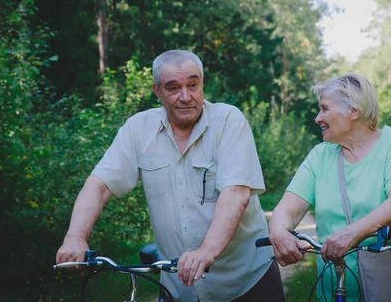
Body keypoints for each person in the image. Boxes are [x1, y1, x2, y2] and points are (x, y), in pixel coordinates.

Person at [56, 50, 284, 302]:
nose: (185, 97)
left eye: (193, 85)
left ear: (202, 85)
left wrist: (206, 251)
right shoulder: (138, 129)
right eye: (173, 88)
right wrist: (75, 237)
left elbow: (236, 193)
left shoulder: (229, 120)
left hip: (245, 280)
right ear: (157, 91)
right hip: (179, 286)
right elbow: (99, 186)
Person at [267, 73, 391, 301]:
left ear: (353, 111)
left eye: (325, 109)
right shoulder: (320, 156)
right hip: (337, 281)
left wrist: (349, 235)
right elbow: (289, 208)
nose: (318, 118)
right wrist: (278, 232)